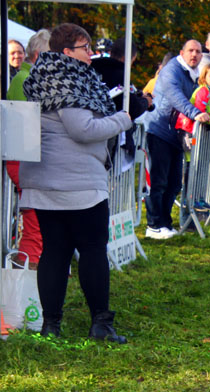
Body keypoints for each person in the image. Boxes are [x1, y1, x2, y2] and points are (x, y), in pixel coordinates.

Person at [20, 23, 134, 343]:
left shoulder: (44, 74)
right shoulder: (66, 78)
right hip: (76, 183)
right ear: (67, 52)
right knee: (92, 250)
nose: (91, 54)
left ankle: (51, 326)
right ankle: (100, 324)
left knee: (55, 253)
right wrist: (125, 117)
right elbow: (82, 129)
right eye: (86, 48)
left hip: (50, 181)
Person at [144, 39, 210, 240]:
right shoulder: (171, 71)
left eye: (198, 52)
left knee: (174, 184)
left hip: (178, 133)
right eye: (191, 51)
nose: (195, 55)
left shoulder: (195, 74)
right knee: (159, 181)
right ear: (182, 52)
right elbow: (176, 98)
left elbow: (201, 100)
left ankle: (165, 223)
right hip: (160, 130)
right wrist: (195, 113)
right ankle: (153, 224)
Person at [5, 29, 51, 269]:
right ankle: (27, 282)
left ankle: (33, 277)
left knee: (38, 223)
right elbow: (33, 128)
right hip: (25, 160)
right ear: (39, 54)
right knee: (35, 224)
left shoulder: (26, 78)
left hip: (26, 159)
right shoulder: (26, 81)